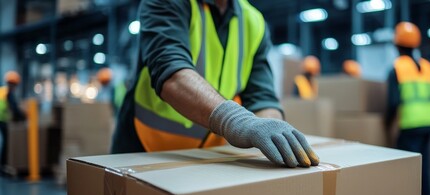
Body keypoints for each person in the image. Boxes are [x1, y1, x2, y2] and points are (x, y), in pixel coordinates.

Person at [111, 0, 319, 168]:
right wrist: (241, 123)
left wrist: (270, 128)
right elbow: (171, 72)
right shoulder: (169, 3)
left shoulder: (252, 20)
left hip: (207, 159)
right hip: (143, 150)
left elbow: (261, 96)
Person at [385, 22, 430, 195]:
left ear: (397, 45)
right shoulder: (427, 66)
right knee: (425, 167)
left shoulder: (396, 68)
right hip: (428, 124)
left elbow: (393, 102)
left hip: (409, 125)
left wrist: (387, 124)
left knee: (408, 170)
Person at [0, 71, 26, 167]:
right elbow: (14, 108)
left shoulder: (2, 90)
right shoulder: (9, 93)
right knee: (7, 142)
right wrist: (23, 117)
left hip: (2, 119)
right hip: (2, 120)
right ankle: (3, 164)